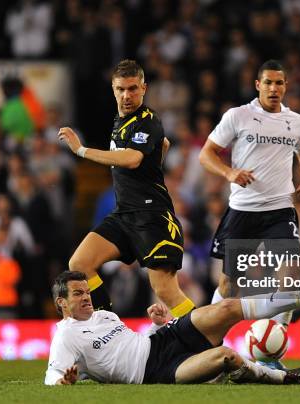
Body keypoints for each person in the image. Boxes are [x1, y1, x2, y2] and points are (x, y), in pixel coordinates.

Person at [198, 59, 300, 368]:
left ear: (286, 86)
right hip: (243, 212)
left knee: (290, 275)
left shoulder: (297, 122)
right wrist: (229, 173)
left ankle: (271, 352)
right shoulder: (238, 116)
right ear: (257, 85)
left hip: (280, 209)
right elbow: (206, 153)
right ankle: (205, 346)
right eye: (268, 82)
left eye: (279, 83)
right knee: (228, 286)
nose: (273, 88)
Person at [57, 59, 195, 318]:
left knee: (165, 289)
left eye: (132, 88)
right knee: (80, 263)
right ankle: (107, 327)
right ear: (113, 89)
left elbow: (132, 159)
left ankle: (209, 345)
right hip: (124, 215)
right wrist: (154, 164)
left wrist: (81, 150)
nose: (126, 95)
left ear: (144, 88)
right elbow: (163, 144)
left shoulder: (148, 120)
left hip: (151, 217)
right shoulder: (121, 122)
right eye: (121, 89)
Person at [45, 270, 300, 385]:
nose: (86, 297)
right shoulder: (66, 336)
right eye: (78, 294)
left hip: (163, 339)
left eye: (87, 291)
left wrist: (156, 325)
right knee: (225, 355)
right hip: (155, 372)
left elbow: (131, 346)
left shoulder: (105, 316)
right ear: (62, 302)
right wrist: (63, 383)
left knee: (226, 308)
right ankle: (282, 379)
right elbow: (52, 378)